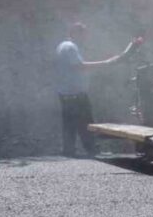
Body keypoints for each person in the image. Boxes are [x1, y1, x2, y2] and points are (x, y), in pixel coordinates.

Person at [55, 22, 142, 158]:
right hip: (76, 95)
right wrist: (105, 63)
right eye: (82, 34)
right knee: (86, 123)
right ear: (74, 33)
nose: (84, 38)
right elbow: (79, 66)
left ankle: (69, 151)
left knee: (69, 124)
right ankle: (92, 151)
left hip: (65, 93)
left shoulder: (62, 45)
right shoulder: (71, 47)